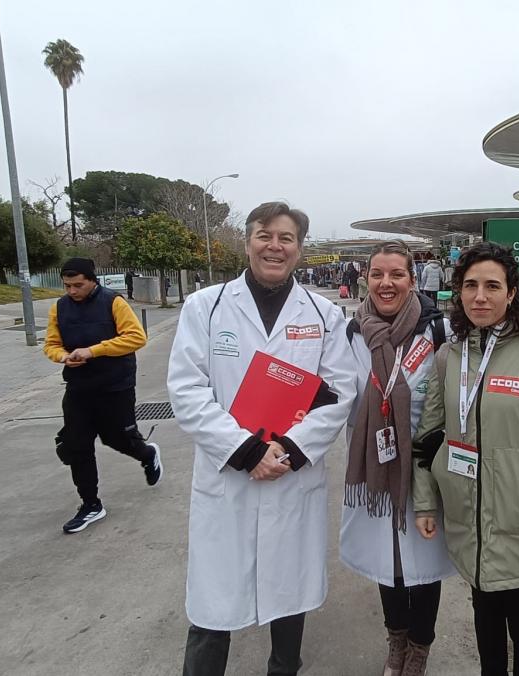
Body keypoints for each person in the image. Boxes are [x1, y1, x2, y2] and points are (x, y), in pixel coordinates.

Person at [167, 202, 357, 676]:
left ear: (299, 248)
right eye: (264, 235)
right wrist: (247, 450)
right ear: (248, 241)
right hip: (228, 476)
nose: (275, 246)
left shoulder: (324, 314)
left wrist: (289, 451)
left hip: (290, 477)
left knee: (288, 597)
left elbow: (339, 391)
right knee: (212, 604)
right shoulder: (205, 307)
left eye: (286, 238)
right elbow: (187, 389)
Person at [412, 242, 519, 676]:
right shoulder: (449, 357)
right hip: (470, 524)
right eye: (470, 285)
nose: (480, 296)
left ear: (512, 294)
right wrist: (425, 501)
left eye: (492, 286)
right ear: (457, 292)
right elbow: (428, 438)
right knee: (485, 625)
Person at [342, 241, 455, 676]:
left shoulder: (440, 331)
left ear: (413, 279)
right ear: (365, 278)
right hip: (375, 466)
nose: (386, 283)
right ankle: (396, 645)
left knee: (423, 565)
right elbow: (335, 395)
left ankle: (419, 651)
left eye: (396, 275)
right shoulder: (351, 334)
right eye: (377, 274)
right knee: (387, 563)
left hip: (424, 467)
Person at [43, 257, 161, 534]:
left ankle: (147, 454)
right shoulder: (59, 308)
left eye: (78, 285)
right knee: (76, 445)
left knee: (117, 438)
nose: (72, 291)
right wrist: (62, 356)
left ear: (92, 280)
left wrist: (93, 350)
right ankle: (91, 505)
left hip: (115, 386)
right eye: (67, 286)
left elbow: (136, 337)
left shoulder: (114, 302)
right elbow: (51, 344)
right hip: (78, 388)